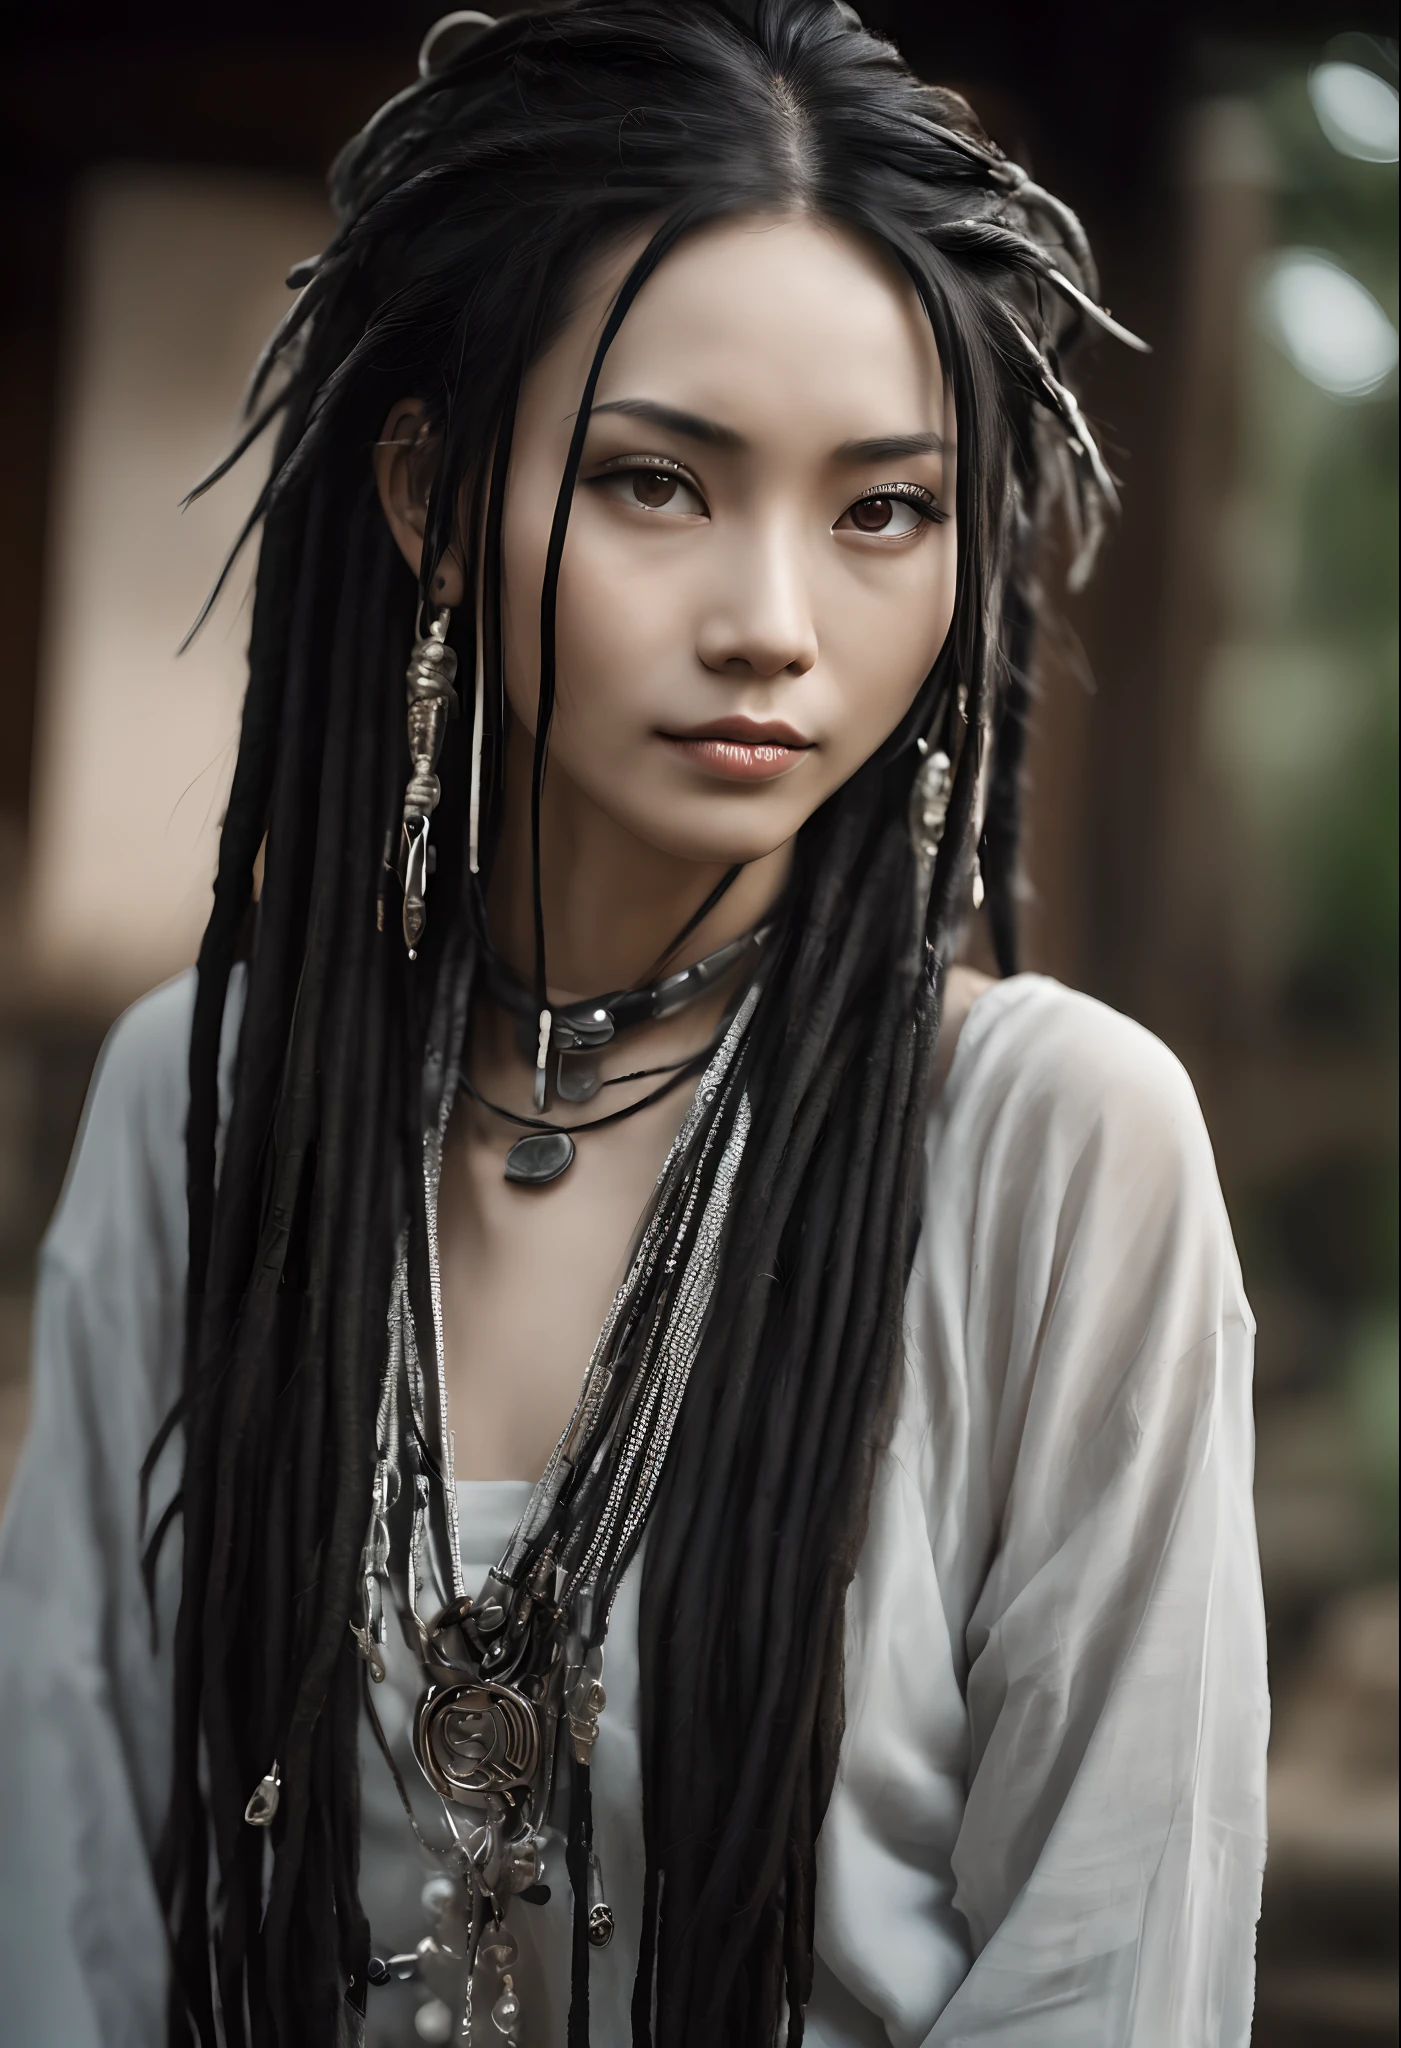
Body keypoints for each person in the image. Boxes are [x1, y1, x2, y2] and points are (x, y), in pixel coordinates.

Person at [0, 3, 1270, 2044]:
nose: (774, 614)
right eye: (656, 481)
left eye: (883, 510)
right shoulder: (213, 1097)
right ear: (430, 493)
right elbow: (65, 1893)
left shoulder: (1054, 1141)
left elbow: (1113, 1960)